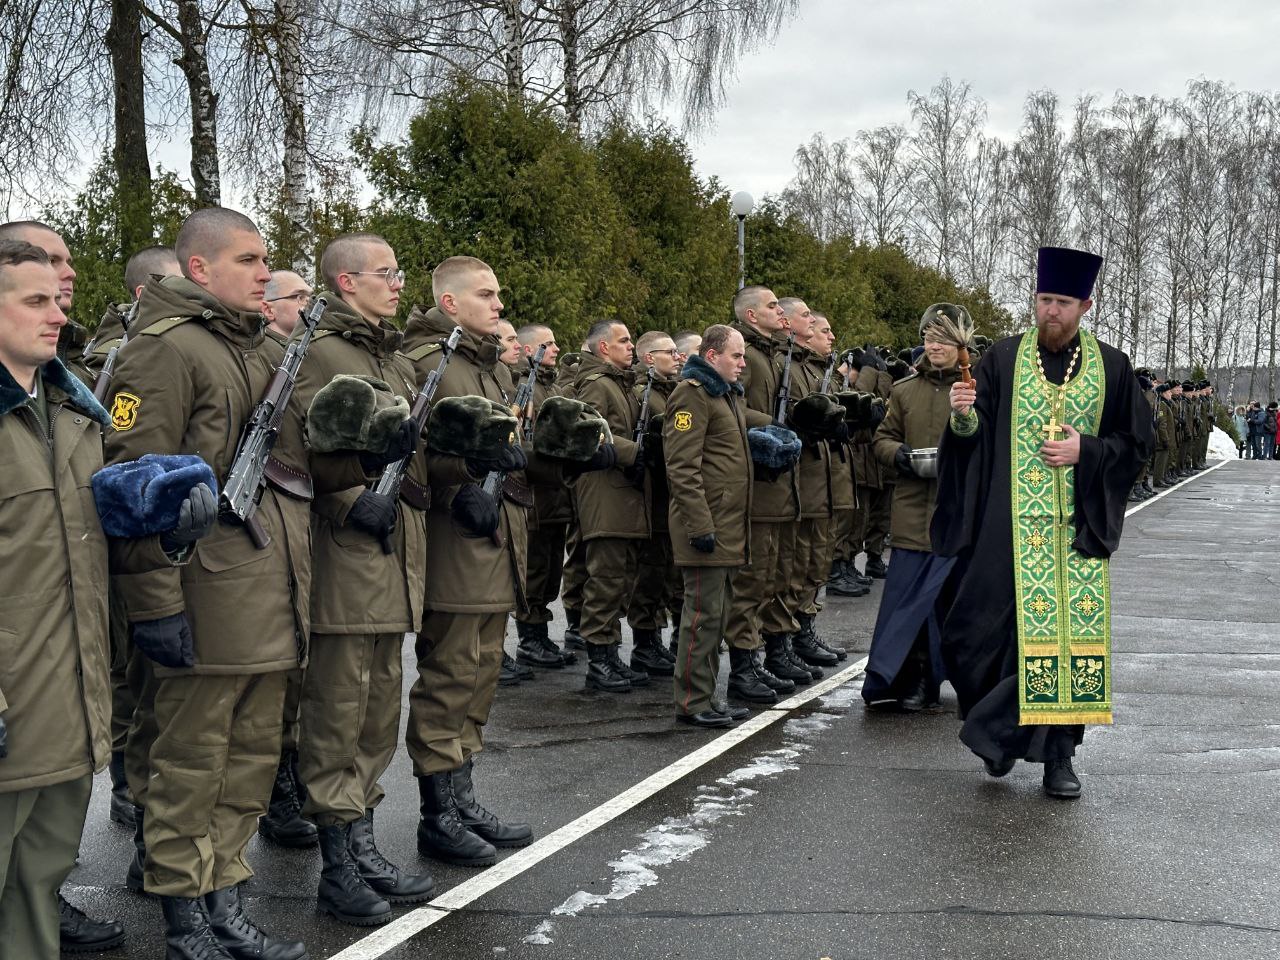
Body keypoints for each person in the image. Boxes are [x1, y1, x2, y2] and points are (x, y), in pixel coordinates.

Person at [104, 207, 317, 958]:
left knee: (249, 765)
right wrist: (154, 604)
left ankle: (226, 903)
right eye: (251, 261)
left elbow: (290, 473)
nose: (267, 274)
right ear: (200, 269)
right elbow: (130, 488)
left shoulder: (258, 350)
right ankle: (182, 917)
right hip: (202, 596)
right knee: (190, 765)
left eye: (267, 263)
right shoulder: (165, 353)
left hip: (266, 594)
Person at [933, 246, 1153, 800]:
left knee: (1067, 642)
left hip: (1076, 532)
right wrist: (961, 417)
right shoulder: (1002, 359)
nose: (1050, 311)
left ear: (1084, 305)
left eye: (1061, 302)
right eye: (1042, 300)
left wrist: (1090, 451)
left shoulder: (1113, 366)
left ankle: (1059, 758)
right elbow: (973, 434)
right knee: (978, 632)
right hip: (1005, 531)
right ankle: (1000, 737)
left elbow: (1137, 443)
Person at [284, 233, 435, 923]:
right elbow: (303, 451)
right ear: (346, 282)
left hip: (391, 558)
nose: (398, 282)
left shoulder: (393, 356)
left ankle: (364, 841)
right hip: (346, 557)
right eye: (386, 272)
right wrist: (352, 497)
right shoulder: (319, 352)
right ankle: (337, 863)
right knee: (337, 715)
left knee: (378, 711)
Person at [0, 221, 130, 953]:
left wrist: (164, 530)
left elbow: (86, 558)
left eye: (58, 298)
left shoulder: (76, 413)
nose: (58, 313)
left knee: (37, 883)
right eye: (35, 300)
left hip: (68, 700)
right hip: (10, 700)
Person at [401, 256, 538, 867]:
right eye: (486, 295)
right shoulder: (432, 364)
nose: (499, 305)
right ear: (451, 302)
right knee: (450, 678)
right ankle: (438, 813)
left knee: (480, 676)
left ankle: (462, 795)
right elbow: (414, 456)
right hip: (455, 545)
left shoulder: (489, 368)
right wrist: (463, 479)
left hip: (495, 542)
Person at [863, 304, 969, 712]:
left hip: (960, 515)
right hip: (911, 513)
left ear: (961, 342)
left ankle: (970, 685)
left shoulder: (978, 389)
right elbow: (881, 439)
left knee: (957, 604)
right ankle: (915, 680)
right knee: (911, 607)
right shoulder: (904, 390)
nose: (933, 345)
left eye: (942, 338)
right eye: (928, 337)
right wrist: (902, 456)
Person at [256, 266, 318, 852]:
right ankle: (277, 794)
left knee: (296, 679)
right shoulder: (267, 360)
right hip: (263, 539)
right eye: (296, 296)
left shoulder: (299, 356)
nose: (306, 303)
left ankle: (288, 784)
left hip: (301, 532)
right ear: (269, 306)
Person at [664, 325, 753, 728]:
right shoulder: (692, 394)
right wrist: (699, 525)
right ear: (713, 354)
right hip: (706, 526)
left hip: (727, 525)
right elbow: (682, 468)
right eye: (736, 356)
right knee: (701, 616)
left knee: (716, 617)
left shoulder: (724, 394)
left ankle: (706, 696)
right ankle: (692, 701)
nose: (742, 363)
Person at [725, 286, 809, 696]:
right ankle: (743, 667)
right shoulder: (753, 360)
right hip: (759, 487)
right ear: (752, 316)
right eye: (773, 305)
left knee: (774, 578)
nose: (782, 311)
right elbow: (735, 411)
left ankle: (769, 653)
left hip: (779, 489)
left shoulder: (773, 355)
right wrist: (776, 426)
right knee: (751, 581)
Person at [572, 319, 657, 691]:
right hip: (605, 494)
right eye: (623, 341)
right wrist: (635, 450)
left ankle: (610, 654)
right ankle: (599, 660)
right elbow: (589, 430)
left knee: (621, 580)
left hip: (626, 495)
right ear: (603, 348)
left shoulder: (622, 384)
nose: (631, 346)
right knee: (605, 581)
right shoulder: (596, 385)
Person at [513, 323, 578, 670]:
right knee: (534, 571)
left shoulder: (550, 387)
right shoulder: (523, 387)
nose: (555, 348)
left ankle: (540, 634)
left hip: (556, 495)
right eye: (546, 344)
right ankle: (530, 637)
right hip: (535, 495)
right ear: (528, 350)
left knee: (552, 569)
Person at [625, 330, 683, 667]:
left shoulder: (670, 391)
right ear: (650, 358)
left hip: (669, 493)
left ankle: (656, 640)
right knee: (649, 573)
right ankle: (644, 643)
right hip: (651, 494)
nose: (677, 357)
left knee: (665, 573)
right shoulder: (641, 393)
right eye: (670, 352)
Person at [261, 270, 313, 341]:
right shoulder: (259, 350)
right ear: (269, 310)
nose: (310, 302)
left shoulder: (316, 345)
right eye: (300, 297)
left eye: (311, 296)